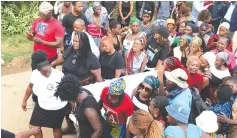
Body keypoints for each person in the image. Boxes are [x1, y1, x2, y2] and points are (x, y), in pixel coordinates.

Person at [22, 50, 69, 138]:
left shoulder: (59, 75)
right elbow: (30, 87)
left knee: (56, 129)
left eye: (48, 69)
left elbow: (68, 91)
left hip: (57, 106)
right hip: (42, 105)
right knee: (34, 127)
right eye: (43, 71)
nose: (47, 72)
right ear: (37, 68)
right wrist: (24, 100)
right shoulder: (35, 74)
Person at [26, 1, 64, 71]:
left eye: (43, 14)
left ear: (50, 13)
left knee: (47, 78)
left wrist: (42, 42)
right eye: (40, 13)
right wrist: (30, 35)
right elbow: (32, 31)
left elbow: (59, 44)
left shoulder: (57, 25)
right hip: (36, 55)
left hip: (48, 58)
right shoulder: (37, 20)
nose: (41, 15)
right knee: (35, 76)